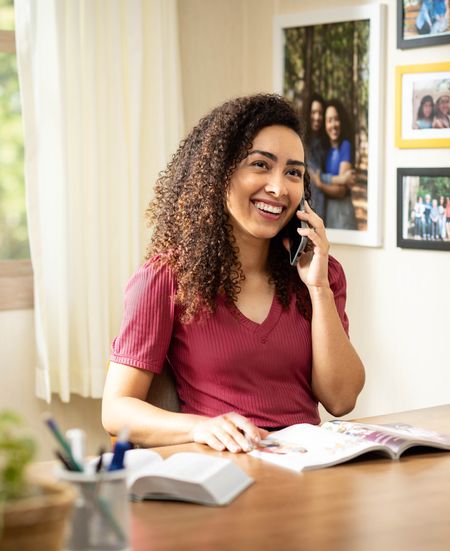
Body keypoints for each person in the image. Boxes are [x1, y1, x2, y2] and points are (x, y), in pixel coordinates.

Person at [101, 94, 366, 452]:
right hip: (222, 473)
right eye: (260, 165)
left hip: (308, 471)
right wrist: (201, 428)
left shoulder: (321, 274)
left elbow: (341, 399)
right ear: (219, 173)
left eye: (293, 173)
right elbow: (116, 410)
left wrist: (318, 288)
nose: (278, 187)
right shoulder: (165, 278)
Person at [322, 99, 359, 231]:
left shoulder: (345, 146)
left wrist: (319, 183)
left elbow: (340, 191)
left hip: (342, 213)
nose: (333, 125)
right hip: (328, 211)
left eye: (336, 119)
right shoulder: (326, 150)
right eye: (329, 120)